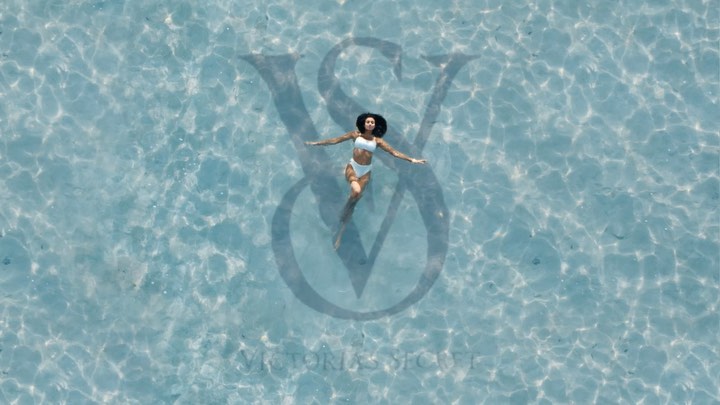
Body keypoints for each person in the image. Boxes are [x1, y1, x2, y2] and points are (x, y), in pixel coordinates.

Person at [305, 113, 426, 248]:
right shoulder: (355, 135)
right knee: (356, 191)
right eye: (368, 122)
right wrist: (317, 143)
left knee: (353, 201)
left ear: (375, 125)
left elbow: (394, 152)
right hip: (353, 167)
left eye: (372, 122)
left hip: (365, 172)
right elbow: (335, 140)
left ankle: (340, 233)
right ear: (363, 123)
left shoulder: (377, 141)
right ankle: (346, 200)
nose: (370, 124)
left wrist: (412, 160)